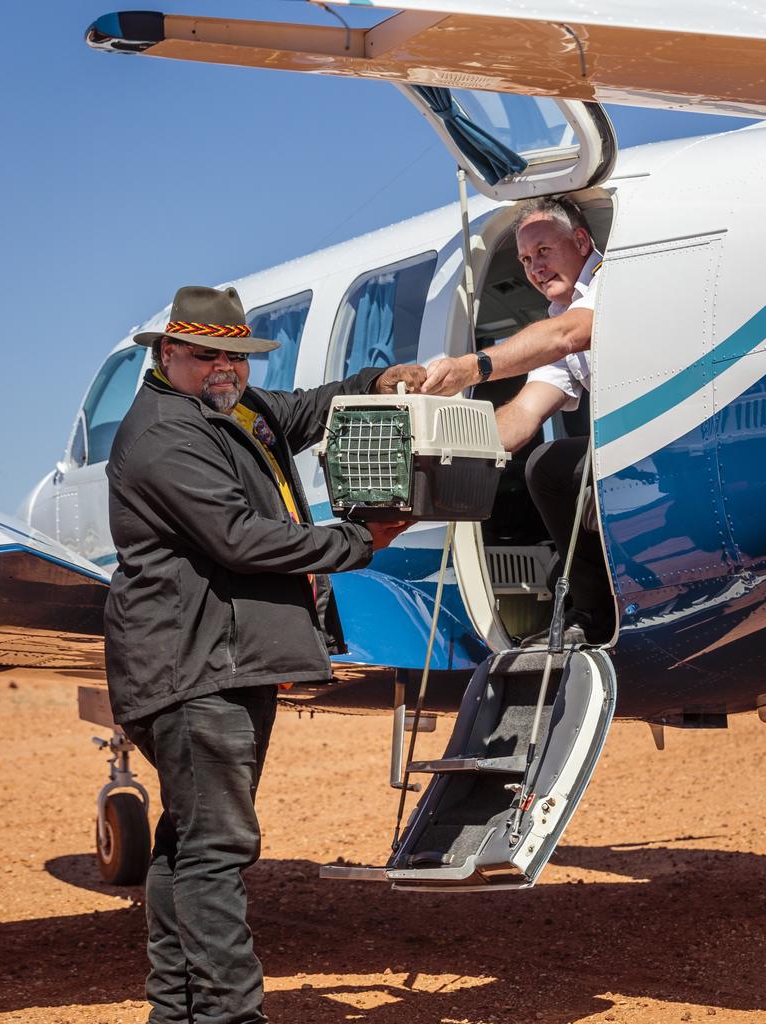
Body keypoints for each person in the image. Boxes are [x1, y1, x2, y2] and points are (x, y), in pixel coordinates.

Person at [105, 284, 425, 1024]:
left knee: (191, 840)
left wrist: (377, 382)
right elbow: (238, 537)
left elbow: (307, 410)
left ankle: (177, 1012)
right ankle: (227, 1015)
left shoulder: (232, 407)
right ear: (166, 355)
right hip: (194, 669)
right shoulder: (164, 434)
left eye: (238, 356)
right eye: (206, 355)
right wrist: (359, 540)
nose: (226, 368)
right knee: (217, 847)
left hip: (219, 661)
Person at [423, 196, 613, 643]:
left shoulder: (612, 278)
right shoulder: (558, 316)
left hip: (657, 441)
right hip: (626, 446)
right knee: (546, 466)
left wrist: (473, 367)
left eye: (544, 251)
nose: (534, 267)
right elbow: (525, 413)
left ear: (582, 241)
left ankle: (594, 608)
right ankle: (593, 608)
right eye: (526, 259)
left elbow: (571, 335)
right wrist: (446, 448)